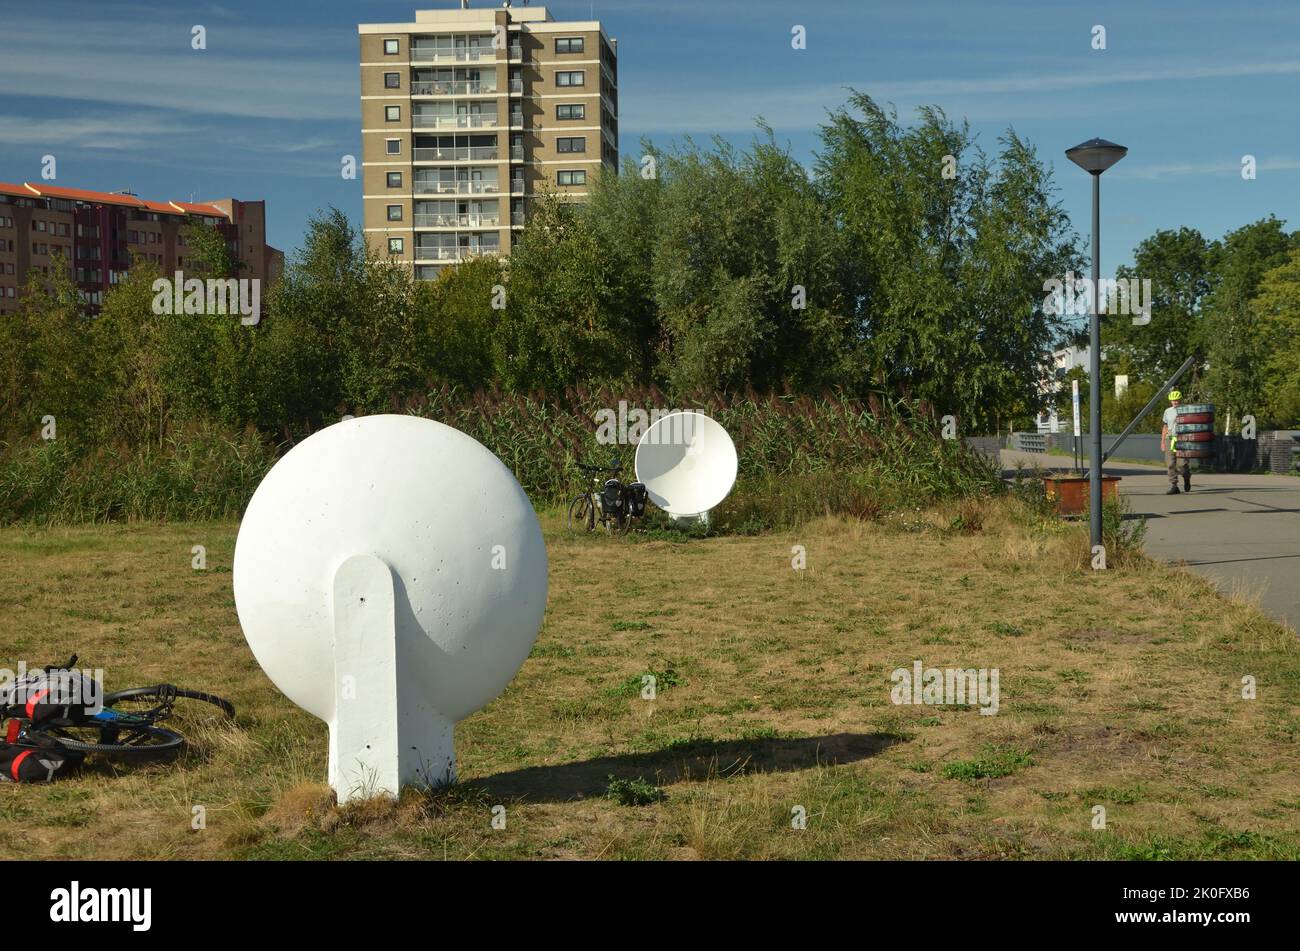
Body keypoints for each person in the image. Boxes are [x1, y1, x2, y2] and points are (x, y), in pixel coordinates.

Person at [1161, 390, 1191, 494]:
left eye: (1177, 400)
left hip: (1182, 439)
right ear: (1170, 401)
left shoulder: (1185, 410)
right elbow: (1165, 426)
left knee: (1182, 464)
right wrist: (1163, 442)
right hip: (1170, 439)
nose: (1175, 402)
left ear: (1180, 400)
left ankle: (1186, 478)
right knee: (1170, 464)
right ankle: (1174, 486)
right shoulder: (1167, 411)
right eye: (1173, 401)